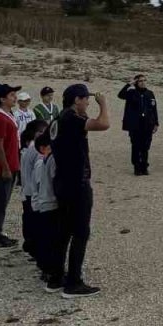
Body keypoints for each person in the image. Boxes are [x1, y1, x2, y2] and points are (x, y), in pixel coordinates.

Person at [52, 83, 110, 298]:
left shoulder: (58, 119)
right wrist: (103, 104)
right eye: (86, 98)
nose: (88, 102)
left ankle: (56, 277)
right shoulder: (72, 119)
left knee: (64, 230)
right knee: (80, 231)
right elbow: (103, 124)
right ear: (77, 100)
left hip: (62, 181)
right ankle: (73, 282)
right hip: (76, 182)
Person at [0, 83, 23, 248]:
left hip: (12, 163)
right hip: (3, 167)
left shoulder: (8, 115)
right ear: (2, 99)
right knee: (0, 201)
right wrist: (5, 167)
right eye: (11, 96)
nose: (15, 98)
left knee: (3, 200)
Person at [31, 131, 60, 289]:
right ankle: (50, 270)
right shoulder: (43, 162)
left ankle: (48, 268)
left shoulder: (44, 161)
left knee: (47, 238)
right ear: (43, 148)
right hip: (48, 203)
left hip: (42, 204)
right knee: (50, 240)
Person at [19, 119, 49, 260]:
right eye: (40, 132)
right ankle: (35, 250)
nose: (43, 134)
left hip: (28, 190)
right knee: (35, 223)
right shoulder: (34, 148)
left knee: (30, 220)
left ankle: (31, 246)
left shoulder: (29, 148)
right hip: (32, 191)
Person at [117, 75, 158, 176]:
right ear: (136, 82)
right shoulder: (131, 93)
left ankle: (144, 166)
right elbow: (120, 95)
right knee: (136, 146)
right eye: (140, 81)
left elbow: (154, 109)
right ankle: (137, 167)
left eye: (144, 80)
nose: (143, 82)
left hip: (147, 124)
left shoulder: (150, 93)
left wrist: (156, 123)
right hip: (135, 124)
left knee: (145, 146)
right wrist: (129, 84)